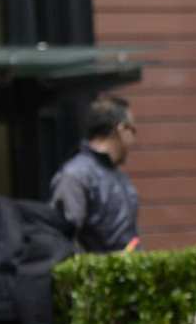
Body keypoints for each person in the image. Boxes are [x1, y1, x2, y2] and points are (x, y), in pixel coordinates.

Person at [49, 93, 140, 253]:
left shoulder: (117, 175)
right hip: (99, 276)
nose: (134, 139)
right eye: (133, 130)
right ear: (120, 129)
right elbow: (62, 239)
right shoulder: (75, 175)